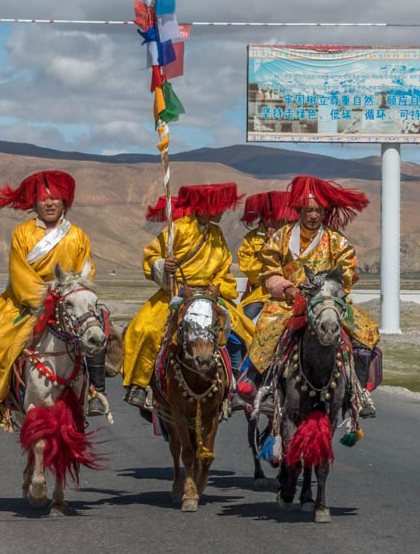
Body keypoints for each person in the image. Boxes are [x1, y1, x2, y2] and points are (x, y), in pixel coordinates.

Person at [0, 170, 100, 429]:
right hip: (27, 303)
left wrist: (70, 294)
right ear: (35, 203)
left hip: (69, 301)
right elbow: (20, 274)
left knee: (98, 331)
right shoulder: (22, 234)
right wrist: (44, 297)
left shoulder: (78, 236)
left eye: (55, 199)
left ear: (65, 202)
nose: (49, 204)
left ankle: (96, 392)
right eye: (43, 199)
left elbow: (86, 270)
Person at [241, 175, 379, 415]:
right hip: (288, 302)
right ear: (299, 211)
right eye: (309, 210)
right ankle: (261, 385)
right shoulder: (280, 237)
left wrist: (330, 287)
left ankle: (358, 391)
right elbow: (269, 271)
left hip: (327, 300)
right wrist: (287, 288)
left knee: (364, 330)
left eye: (318, 211)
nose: (314, 215)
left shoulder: (336, 241)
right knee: (267, 329)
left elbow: (347, 270)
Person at [120, 183, 254, 415]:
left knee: (242, 330)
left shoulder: (217, 234)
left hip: (210, 295)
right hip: (177, 293)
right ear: (206, 207)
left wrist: (217, 287)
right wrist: (163, 265)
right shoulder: (177, 229)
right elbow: (151, 255)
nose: (223, 212)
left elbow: (224, 267)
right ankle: (140, 385)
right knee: (147, 329)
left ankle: (236, 387)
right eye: (219, 207)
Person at [236, 189, 295, 322]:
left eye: (279, 217)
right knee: (241, 324)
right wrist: (268, 246)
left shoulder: (294, 237)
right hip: (261, 293)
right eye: (270, 217)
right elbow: (249, 268)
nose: (275, 221)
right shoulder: (251, 239)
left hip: (292, 289)